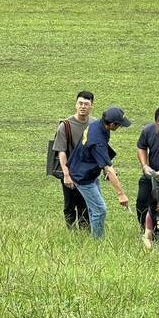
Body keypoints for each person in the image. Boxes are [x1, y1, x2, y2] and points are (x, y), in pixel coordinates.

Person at [67, 106, 132, 238]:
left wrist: (104, 167)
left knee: (94, 208)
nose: (120, 127)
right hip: (83, 176)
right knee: (99, 210)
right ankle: (97, 242)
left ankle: (94, 235)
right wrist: (121, 194)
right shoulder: (97, 141)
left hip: (89, 170)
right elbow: (109, 169)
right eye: (119, 125)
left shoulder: (98, 124)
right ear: (112, 124)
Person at [52, 90, 94, 229]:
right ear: (76, 105)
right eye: (80, 103)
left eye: (86, 104)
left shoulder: (94, 124)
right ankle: (70, 231)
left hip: (87, 172)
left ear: (91, 106)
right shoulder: (65, 125)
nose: (83, 106)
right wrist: (66, 174)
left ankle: (84, 232)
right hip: (69, 170)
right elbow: (61, 151)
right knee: (70, 204)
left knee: (85, 204)